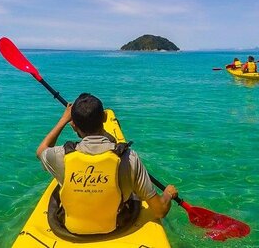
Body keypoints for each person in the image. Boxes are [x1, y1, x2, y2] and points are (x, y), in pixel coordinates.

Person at [37, 93, 178, 235]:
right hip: (116, 225)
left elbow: (41, 151)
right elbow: (159, 211)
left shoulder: (59, 156)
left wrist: (63, 119)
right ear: (104, 118)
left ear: (73, 125)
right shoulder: (129, 158)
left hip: (71, 228)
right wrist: (167, 195)